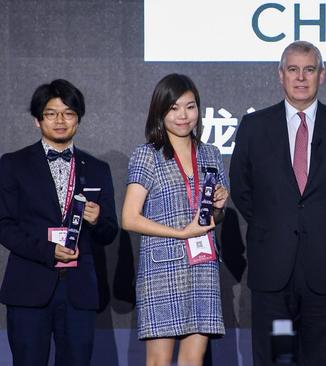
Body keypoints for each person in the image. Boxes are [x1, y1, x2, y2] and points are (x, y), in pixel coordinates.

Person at [229, 40, 326, 365]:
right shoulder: (255, 127)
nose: (301, 77)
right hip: (274, 275)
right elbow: (242, 189)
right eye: (293, 69)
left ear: (322, 75)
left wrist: (323, 224)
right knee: (279, 357)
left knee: (322, 357)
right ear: (281, 75)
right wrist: (277, 221)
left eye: (309, 69)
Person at [0, 79, 118, 365]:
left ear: (78, 118)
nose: (60, 120)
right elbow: (4, 225)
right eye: (51, 113)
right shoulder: (13, 164)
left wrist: (98, 218)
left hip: (79, 291)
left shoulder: (98, 169)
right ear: (37, 121)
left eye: (68, 113)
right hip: (29, 287)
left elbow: (109, 232)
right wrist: (48, 250)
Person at [121, 73, 229, 365]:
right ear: (160, 111)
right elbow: (129, 218)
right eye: (174, 108)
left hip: (203, 265)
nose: (183, 115)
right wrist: (181, 233)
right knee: (158, 361)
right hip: (162, 268)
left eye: (190, 106)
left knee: (193, 361)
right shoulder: (147, 155)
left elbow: (211, 217)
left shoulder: (211, 154)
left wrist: (219, 206)